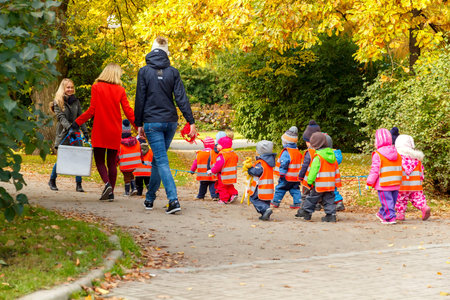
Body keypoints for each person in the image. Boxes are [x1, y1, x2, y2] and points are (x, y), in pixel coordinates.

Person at [134, 36, 196, 214]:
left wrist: (139, 124)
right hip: (170, 121)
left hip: (152, 121)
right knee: (157, 160)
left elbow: (140, 99)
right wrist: (190, 121)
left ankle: (173, 200)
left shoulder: (144, 71)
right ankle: (149, 198)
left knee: (161, 160)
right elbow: (181, 98)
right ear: (167, 52)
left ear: (151, 50)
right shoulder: (173, 72)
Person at [72, 63, 136, 201]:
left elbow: (92, 110)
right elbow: (128, 111)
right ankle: (111, 192)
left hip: (100, 129)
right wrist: (138, 126)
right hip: (115, 130)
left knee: (100, 160)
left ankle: (107, 184)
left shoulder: (96, 87)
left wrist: (77, 121)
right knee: (112, 162)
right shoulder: (120, 90)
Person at [49, 78, 89, 192]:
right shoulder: (58, 101)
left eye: (72, 87)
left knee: (78, 157)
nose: (70, 89)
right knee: (63, 158)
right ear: (63, 88)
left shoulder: (76, 101)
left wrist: (85, 132)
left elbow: (81, 117)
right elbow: (61, 117)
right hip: (64, 133)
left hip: (75, 133)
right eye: (68, 87)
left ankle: (79, 184)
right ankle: (52, 180)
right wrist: (69, 128)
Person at [295, 132, 341, 222]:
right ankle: (331, 215)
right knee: (329, 200)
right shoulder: (332, 156)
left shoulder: (318, 157)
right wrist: (337, 182)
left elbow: (313, 170)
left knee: (312, 198)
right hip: (330, 184)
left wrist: (310, 181)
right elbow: (336, 170)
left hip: (319, 184)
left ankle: (307, 212)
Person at [366, 128, 402, 224]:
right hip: (395, 182)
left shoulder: (378, 154)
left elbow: (375, 170)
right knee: (391, 202)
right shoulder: (397, 153)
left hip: (384, 183)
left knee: (386, 201)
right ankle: (382, 213)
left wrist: (369, 182)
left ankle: (390, 218)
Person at [394, 135, 431, 221]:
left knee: (400, 200)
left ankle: (400, 214)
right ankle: (424, 207)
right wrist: (420, 180)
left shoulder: (397, 158)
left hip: (402, 186)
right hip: (415, 185)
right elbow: (421, 173)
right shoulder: (417, 159)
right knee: (417, 198)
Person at [271, 126, 302, 209]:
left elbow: (284, 163)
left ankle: (275, 202)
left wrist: (282, 172)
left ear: (286, 142)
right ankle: (298, 202)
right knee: (295, 189)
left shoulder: (286, 152)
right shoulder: (297, 152)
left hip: (286, 176)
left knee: (280, 188)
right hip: (295, 177)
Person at [245, 140, 276, 221]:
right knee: (265, 200)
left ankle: (266, 210)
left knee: (254, 199)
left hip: (260, 186)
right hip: (268, 188)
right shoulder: (269, 162)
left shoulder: (261, 163)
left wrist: (250, 169)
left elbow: (256, 172)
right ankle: (265, 214)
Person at [209, 136, 239, 204]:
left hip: (223, 175)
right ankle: (234, 193)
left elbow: (218, 166)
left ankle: (224, 199)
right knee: (229, 185)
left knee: (221, 187)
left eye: (219, 144)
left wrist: (212, 170)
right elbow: (236, 160)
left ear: (223, 146)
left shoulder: (222, 155)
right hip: (232, 174)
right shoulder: (233, 154)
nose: (217, 145)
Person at [299, 120, 321, 208]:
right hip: (319, 178)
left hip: (308, 178)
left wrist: (300, 176)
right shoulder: (321, 151)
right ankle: (317, 205)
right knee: (316, 193)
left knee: (306, 193)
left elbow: (305, 165)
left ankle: (304, 206)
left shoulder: (309, 152)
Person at [190, 137, 219, 201]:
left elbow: (195, 163)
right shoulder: (214, 153)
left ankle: (200, 196)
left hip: (202, 174)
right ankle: (215, 196)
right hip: (212, 174)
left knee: (203, 186)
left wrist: (192, 170)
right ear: (213, 145)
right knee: (213, 185)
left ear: (204, 145)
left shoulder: (199, 153)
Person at [117, 119, 140, 196]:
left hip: (125, 165)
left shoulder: (120, 143)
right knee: (131, 174)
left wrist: (116, 162)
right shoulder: (135, 141)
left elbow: (117, 155)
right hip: (134, 164)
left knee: (126, 177)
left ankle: (127, 192)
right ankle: (134, 188)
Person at [324, 133, 345, 211]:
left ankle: (319, 203)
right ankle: (338, 202)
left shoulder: (325, 155)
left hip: (324, 176)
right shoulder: (335, 155)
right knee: (333, 190)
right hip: (333, 176)